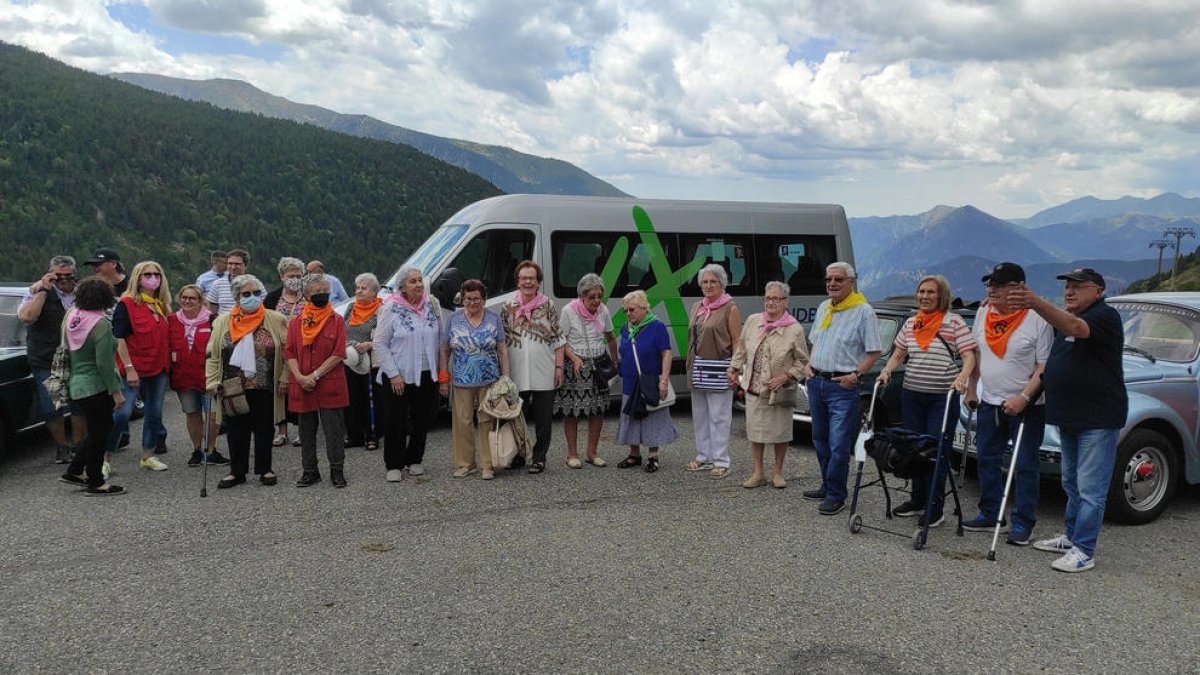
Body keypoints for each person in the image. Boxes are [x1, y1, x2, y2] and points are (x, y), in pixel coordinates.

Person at [1009, 268, 1127, 573]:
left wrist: (1034, 301)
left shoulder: (1104, 316)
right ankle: (1071, 536)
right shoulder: (1064, 324)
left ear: (1098, 291)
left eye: (1078, 286)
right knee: (1071, 483)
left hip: (1097, 418)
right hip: (1070, 417)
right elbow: (1054, 359)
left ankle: (1084, 550)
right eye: (1066, 287)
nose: (1069, 291)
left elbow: (1077, 327)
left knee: (1090, 488)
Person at [962, 263, 1052, 545]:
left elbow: (1043, 365)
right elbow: (976, 352)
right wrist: (971, 387)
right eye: (990, 285)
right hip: (989, 400)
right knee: (986, 459)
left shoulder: (1038, 318)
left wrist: (1023, 397)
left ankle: (1023, 523)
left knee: (1024, 464)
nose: (992, 290)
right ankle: (990, 513)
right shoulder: (983, 312)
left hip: (1027, 404)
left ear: (1018, 288)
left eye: (999, 285)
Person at [878, 275, 977, 528]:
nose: (924, 296)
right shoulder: (912, 323)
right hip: (913, 394)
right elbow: (899, 353)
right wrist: (887, 370)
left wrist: (963, 377)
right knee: (913, 449)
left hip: (941, 398)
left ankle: (935, 507)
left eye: (930, 292)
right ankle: (917, 500)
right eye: (921, 292)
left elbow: (969, 356)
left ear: (941, 295)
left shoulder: (953, 323)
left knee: (935, 452)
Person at [803, 262, 882, 515]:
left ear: (851, 281)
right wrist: (807, 364)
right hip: (816, 382)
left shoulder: (863, 311)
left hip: (842, 386)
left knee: (838, 444)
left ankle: (837, 494)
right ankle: (827, 485)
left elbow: (874, 351)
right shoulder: (824, 307)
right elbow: (814, 340)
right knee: (820, 439)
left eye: (838, 279)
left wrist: (856, 375)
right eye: (828, 279)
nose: (832, 284)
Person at [206, 274, 289, 488]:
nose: (251, 297)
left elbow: (288, 351)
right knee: (236, 428)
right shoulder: (223, 322)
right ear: (236, 297)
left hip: (265, 383)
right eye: (246, 294)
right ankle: (237, 471)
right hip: (233, 384)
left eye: (256, 293)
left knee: (264, 427)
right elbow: (213, 354)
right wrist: (212, 380)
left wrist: (285, 377)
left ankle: (265, 468)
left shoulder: (275, 319)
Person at [729, 281, 808, 489]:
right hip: (754, 388)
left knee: (780, 433)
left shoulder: (795, 329)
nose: (770, 302)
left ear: (785, 302)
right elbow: (742, 349)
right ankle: (758, 473)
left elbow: (803, 361)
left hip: (778, 391)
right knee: (755, 433)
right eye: (767, 298)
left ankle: (778, 473)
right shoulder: (754, 321)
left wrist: (786, 376)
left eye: (775, 298)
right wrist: (734, 367)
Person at [375, 266, 443, 481]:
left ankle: (414, 459)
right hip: (399, 374)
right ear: (402, 287)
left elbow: (441, 339)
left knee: (422, 419)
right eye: (413, 281)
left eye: (420, 280)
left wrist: (442, 374)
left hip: (426, 373)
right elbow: (380, 343)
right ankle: (394, 463)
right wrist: (393, 374)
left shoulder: (431, 305)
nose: (418, 284)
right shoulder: (391, 308)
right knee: (395, 420)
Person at [58, 277, 126, 495]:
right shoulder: (101, 324)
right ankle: (96, 481)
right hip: (96, 386)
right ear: (106, 299)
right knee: (100, 433)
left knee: (98, 428)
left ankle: (74, 470)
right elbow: (104, 364)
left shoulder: (71, 316)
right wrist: (115, 391)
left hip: (75, 383)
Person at [18, 255, 86, 463]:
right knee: (50, 407)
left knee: (79, 404)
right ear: (50, 275)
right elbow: (28, 317)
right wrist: (44, 291)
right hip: (46, 359)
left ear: (74, 275)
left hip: (78, 358)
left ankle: (77, 447)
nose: (64, 280)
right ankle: (61, 446)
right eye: (58, 276)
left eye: (68, 276)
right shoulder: (36, 292)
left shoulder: (82, 294)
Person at [286, 273, 350, 488]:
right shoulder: (295, 323)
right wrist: (299, 377)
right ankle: (310, 471)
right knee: (306, 432)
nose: (321, 295)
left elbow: (339, 353)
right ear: (306, 295)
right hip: (303, 384)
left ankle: (337, 470)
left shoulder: (337, 320)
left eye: (325, 291)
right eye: (316, 292)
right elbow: (289, 353)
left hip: (329, 382)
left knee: (334, 430)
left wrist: (314, 375)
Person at [501, 261, 565, 474]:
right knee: (515, 417)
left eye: (532, 278)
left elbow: (558, 338)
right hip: (516, 372)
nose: (528, 282)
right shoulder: (508, 305)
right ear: (517, 281)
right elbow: (501, 341)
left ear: (538, 282)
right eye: (524, 278)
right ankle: (518, 454)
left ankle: (539, 457)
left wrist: (559, 367)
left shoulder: (548, 305)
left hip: (543, 370)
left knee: (543, 419)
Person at [440, 279, 508, 480]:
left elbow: (502, 350)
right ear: (463, 299)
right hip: (461, 380)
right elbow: (445, 351)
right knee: (462, 422)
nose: (472, 303)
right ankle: (465, 464)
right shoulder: (453, 319)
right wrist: (443, 378)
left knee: (487, 421)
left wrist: (505, 378)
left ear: (484, 300)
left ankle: (488, 464)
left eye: (477, 299)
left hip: (489, 379)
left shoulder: (494, 319)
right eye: (468, 299)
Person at [108, 260, 173, 473]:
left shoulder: (161, 304)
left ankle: (148, 454)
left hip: (159, 368)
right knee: (121, 413)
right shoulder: (126, 304)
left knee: (154, 412)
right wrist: (129, 368)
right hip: (133, 368)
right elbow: (119, 338)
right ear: (137, 277)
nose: (153, 278)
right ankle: (104, 457)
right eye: (147, 274)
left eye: (157, 274)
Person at [555, 273, 618, 468]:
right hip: (576, 365)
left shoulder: (603, 310)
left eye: (599, 296)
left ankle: (592, 452)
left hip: (599, 363)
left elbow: (610, 336)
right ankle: (572, 454)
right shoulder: (568, 311)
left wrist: (615, 360)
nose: (597, 300)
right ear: (582, 296)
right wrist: (573, 358)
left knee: (597, 410)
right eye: (592, 296)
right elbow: (560, 340)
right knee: (572, 412)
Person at [685, 264, 742, 479]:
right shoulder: (697, 307)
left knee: (719, 417)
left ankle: (721, 460)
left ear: (722, 284)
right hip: (698, 367)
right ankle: (703, 456)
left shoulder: (730, 307)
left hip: (720, 368)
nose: (708, 286)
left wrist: (735, 367)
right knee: (700, 416)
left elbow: (737, 341)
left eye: (713, 282)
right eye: (705, 282)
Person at [615, 290, 678, 473]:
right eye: (626, 310)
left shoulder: (657, 326)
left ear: (644, 308)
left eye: (632, 309)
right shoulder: (625, 328)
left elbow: (666, 353)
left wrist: (664, 381)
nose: (628, 313)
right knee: (631, 417)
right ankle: (634, 454)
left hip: (651, 380)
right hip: (630, 381)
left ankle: (653, 456)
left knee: (653, 417)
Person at [168, 284, 229, 468]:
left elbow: (222, 347)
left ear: (200, 300)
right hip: (183, 376)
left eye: (192, 298)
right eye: (184, 297)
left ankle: (210, 450)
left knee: (212, 415)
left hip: (208, 376)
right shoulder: (172, 320)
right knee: (192, 413)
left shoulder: (212, 320)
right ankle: (197, 449)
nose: (187, 301)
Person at [264, 256, 306, 447]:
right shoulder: (272, 297)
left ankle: (301, 430)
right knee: (278, 391)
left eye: (298, 275)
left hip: (303, 350)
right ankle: (281, 431)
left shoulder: (308, 296)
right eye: (291, 275)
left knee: (300, 389)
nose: (294, 279)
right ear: (282, 276)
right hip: (277, 352)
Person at [342, 272, 386, 451]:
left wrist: (370, 344)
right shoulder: (351, 307)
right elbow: (342, 330)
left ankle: (372, 435)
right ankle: (354, 435)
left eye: (363, 288)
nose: (359, 291)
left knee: (371, 399)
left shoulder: (382, 309)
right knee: (351, 397)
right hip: (350, 358)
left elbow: (387, 335)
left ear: (374, 292)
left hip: (370, 360)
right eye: (357, 288)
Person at [207, 248, 248, 314]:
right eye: (230, 264)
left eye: (237, 264)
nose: (233, 267)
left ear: (245, 265)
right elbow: (212, 310)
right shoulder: (217, 284)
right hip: (223, 323)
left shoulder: (255, 284)